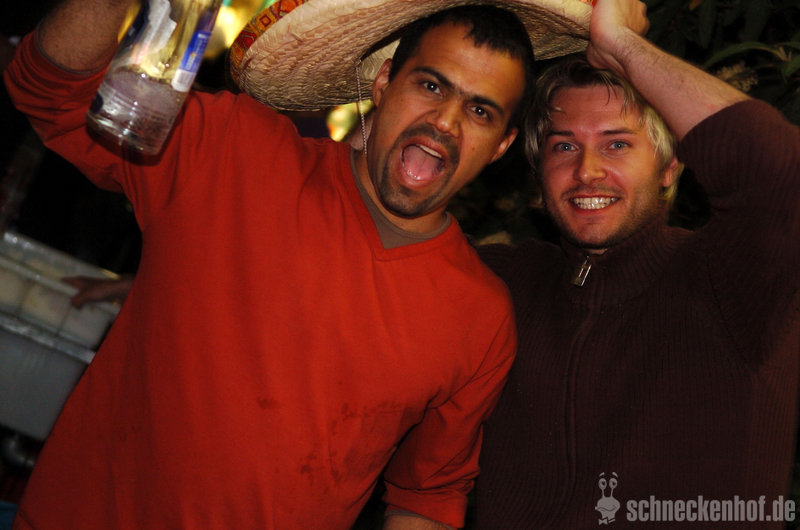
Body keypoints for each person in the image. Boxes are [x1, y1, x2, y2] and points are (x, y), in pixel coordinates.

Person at [3, 0, 594, 528]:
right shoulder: (232, 150)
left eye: (481, 111)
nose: (445, 122)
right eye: (431, 85)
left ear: (501, 146)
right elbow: (51, 93)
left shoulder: (480, 318)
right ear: (384, 81)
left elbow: (427, 496)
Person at [475, 0, 800, 527]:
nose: (587, 171)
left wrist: (622, 45)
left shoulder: (731, 279)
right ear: (538, 170)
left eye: (617, 144)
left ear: (670, 165)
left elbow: (780, 171)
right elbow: (363, 242)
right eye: (564, 146)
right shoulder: (505, 282)